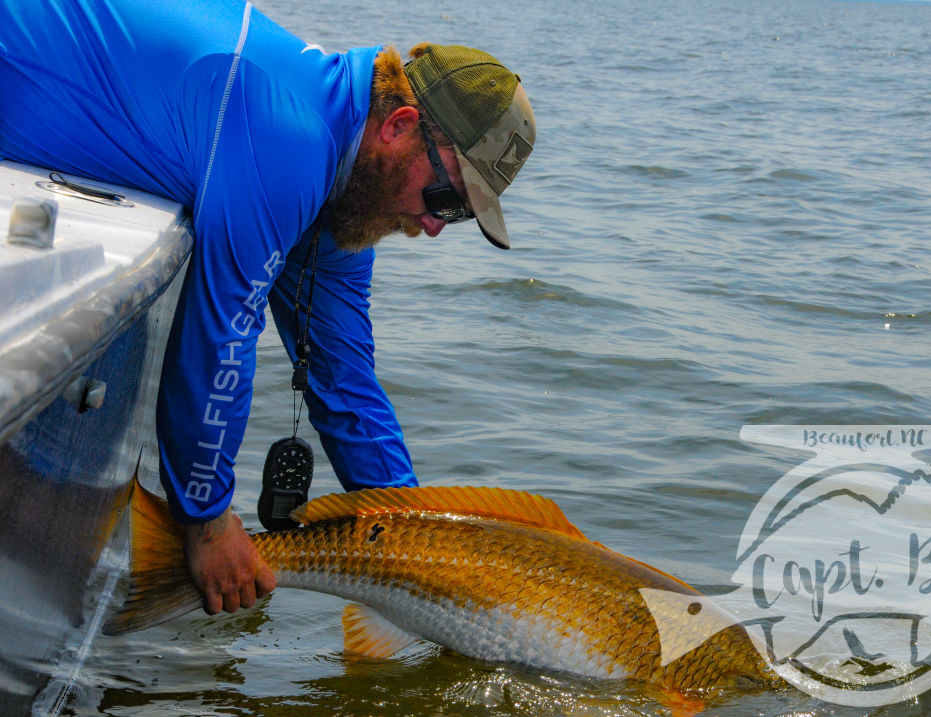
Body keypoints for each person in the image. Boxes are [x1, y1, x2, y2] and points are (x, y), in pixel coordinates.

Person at [0, 0, 535, 616]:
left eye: (460, 216)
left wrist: (419, 549)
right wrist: (204, 522)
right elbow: (221, 337)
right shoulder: (291, 135)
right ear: (398, 126)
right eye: (445, 199)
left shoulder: (343, 182)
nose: (436, 228)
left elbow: (348, 384)